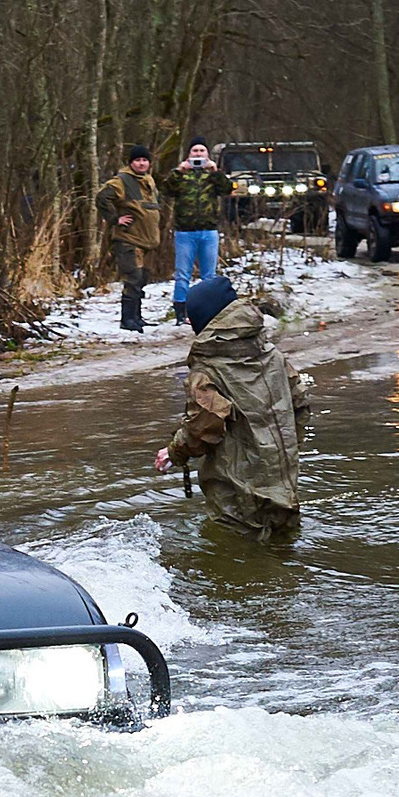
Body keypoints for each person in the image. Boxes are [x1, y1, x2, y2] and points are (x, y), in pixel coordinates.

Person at [152, 276, 311, 544]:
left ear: (208, 318)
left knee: (232, 564)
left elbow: (203, 427)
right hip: (285, 490)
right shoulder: (272, 355)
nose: (189, 322)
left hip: (236, 498)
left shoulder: (206, 371)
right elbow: (300, 406)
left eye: (193, 315)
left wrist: (173, 451)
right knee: (283, 558)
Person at [95, 143, 164, 333]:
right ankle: (127, 319)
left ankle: (137, 317)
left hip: (148, 240)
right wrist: (115, 219)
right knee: (133, 277)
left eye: (144, 160)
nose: (141, 164)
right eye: (137, 160)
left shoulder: (148, 180)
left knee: (142, 278)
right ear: (131, 162)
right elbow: (102, 197)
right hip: (129, 239)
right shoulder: (122, 181)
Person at [163, 138, 231, 319]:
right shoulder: (180, 175)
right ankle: (180, 311)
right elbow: (167, 190)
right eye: (195, 151)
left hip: (209, 231)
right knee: (182, 274)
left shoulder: (213, 174)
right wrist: (179, 171)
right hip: (185, 232)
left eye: (202, 151)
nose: (198, 154)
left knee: (209, 275)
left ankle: (208, 311)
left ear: (207, 155)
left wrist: (215, 171)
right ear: (188, 155)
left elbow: (227, 190)